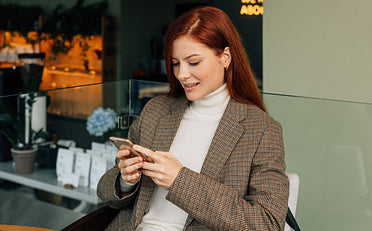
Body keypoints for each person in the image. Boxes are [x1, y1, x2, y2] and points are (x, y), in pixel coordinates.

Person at [97, 6, 289, 231]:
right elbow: (105, 192)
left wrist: (179, 180)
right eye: (176, 63)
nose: (181, 74)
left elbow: (267, 223)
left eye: (194, 62)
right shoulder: (157, 111)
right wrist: (125, 180)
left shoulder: (261, 130)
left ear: (225, 57)